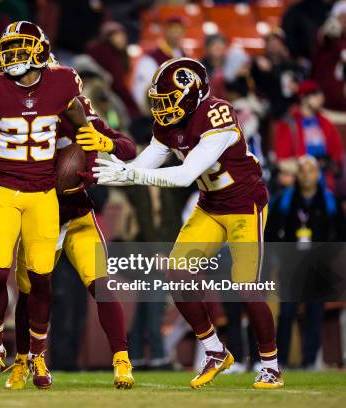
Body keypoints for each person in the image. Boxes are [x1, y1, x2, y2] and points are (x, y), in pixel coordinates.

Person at [93, 57, 283, 389]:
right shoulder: (166, 126)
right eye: (159, 101)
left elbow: (184, 176)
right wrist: (101, 173)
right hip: (210, 205)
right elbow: (141, 166)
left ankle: (271, 365)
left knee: (246, 287)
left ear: (192, 94)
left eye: (169, 101)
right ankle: (214, 351)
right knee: (177, 274)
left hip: (243, 203)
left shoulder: (217, 114)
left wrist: (130, 173)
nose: (163, 109)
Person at [0, 94, 137, 389]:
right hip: (38, 218)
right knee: (28, 292)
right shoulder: (16, 115)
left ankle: (122, 360)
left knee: (101, 286)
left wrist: (106, 143)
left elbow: (127, 147)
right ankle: (23, 360)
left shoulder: (77, 111)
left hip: (77, 217)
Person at [0, 21, 89, 389]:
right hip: (2, 190)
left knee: (40, 279)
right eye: (9, 47)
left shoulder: (62, 84)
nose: (13, 54)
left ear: (41, 51)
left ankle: (37, 356)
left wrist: (83, 153)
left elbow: (81, 127)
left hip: (43, 194)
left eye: (22, 46)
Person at [267, 156, 344, 369]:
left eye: (311, 170)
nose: (307, 175)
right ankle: (279, 361)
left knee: (314, 312)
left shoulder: (328, 201)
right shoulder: (285, 200)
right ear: (297, 175)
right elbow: (270, 231)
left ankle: (310, 361)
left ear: (318, 175)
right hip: (291, 264)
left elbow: (341, 232)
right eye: (302, 170)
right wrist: (280, 256)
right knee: (287, 313)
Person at [273, 80, 343, 191]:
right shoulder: (289, 123)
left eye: (320, 93)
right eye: (315, 94)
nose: (321, 97)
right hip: (299, 182)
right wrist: (304, 169)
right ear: (303, 98)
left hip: (324, 182)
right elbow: (281, 161)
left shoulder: (325, 123)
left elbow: (337, 155)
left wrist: (330, 164)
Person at [131, 16, 186, 115]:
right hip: (161, 112)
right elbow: (142, 92)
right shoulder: (151, 58)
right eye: (172, 30)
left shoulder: (184, 56)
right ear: (165, 31)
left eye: (179, 30)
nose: (176, 34)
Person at [87, 21, 141, 120]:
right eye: (114, 36)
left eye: (121, 35)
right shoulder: (107, 54)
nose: (119, 39)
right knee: (114, 124)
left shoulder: (117, 55)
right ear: (107, 38)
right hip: (104, 100)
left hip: (103, 99)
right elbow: (118, 85)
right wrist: (134, 110)